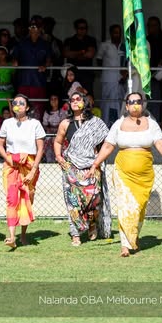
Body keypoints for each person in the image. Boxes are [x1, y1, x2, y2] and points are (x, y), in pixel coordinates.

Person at [93, 92, 162, 257]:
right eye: (131, 102)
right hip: (123, 172)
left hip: (144, 175)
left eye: (138, 101)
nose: (135, 104)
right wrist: (95, 164)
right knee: (125, 206)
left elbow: (160, 142)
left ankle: (133, 237)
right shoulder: (118, 124)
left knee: (139, 208)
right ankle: (125, 245)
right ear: (127, 105)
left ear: (142, 104)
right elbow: (108, 145)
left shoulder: (151, 124)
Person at [53, 91, 111, 247]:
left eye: (78, 99)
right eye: (72, 99)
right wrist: (58, 156)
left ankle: (92, 224)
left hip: (92, 166)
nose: (74, 101)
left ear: (85, 102)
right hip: (71, 167)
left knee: (94, 200)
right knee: (73, 202)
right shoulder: (65, 123)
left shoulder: (96, 122)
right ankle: (75, 234)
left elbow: (107, 144)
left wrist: (97, 161)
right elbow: (58, 141)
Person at [0, 94, 45, 248]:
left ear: (27, 107)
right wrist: (8, 158)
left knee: (27, 198)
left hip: (29, 165)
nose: (17, 105)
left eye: (21, 103)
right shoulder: (7, 123)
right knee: (12, 199)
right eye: (15, 102)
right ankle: (11, 237)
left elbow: (40, 148)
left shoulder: (35, 124)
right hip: (11, 165)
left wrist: (33, 170)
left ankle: (23, 234)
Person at [12, 17, 52, 118]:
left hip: (39, 81)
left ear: (40, 29)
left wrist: (45, 66)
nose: (33, 29)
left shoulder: (45, 44)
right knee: (22, 105)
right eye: (31, 26)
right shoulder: (21, 43)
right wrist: (15, 61)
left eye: (35, 27)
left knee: (38, 108)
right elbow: (14, 57)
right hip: (24, 80)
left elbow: (49, 60)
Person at [97, 24, 127, 125]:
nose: (117, 34)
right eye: (115, 32)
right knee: (107, 103)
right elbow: (98, 59)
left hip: (121, 79)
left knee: (120, 102)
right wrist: (103, 72)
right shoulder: (105, 45)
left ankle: (118, 124)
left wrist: (125, 74)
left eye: (119, 32)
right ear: (111, 33)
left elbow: (127, 61)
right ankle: (106, 124)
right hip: (108, 79)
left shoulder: (124, 46)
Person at [63, 18, 97, 91]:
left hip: (86, 74)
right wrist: (81, 52)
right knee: (72, 94)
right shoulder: (69, 40)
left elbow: (90, 54)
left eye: (85, 28)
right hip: (72, 75)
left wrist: (74, 55)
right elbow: (66, 54)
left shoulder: (91, 40)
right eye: (81, 28)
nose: (83, 30)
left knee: (87, 94)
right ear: (76, 28)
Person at [146, 16, 162, 120]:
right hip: (150, 74)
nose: (151, 28)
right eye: (149, 26)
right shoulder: (146, 40)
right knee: (152, 100)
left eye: (154, 25)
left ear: (159, 26)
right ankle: (154, 121)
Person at [0, 45, 17, 127]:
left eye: (3, 54)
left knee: (9, 107)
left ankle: (10, 126)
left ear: (6, 54)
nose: (1, 56)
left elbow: (13, 78)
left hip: (8, 90)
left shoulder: (11, 65)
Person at [42, 93, 67, 162]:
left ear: (58, 100)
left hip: (60, 131)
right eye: (52, 99)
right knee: (47, 140)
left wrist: (57, 131)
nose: (53, 101)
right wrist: (50, 130)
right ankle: (49, 160)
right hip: (50, 132)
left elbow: (63, 122)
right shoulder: (47, 112)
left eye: (55, 99)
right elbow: (45, 125)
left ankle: (61, 159)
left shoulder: (62, 111)